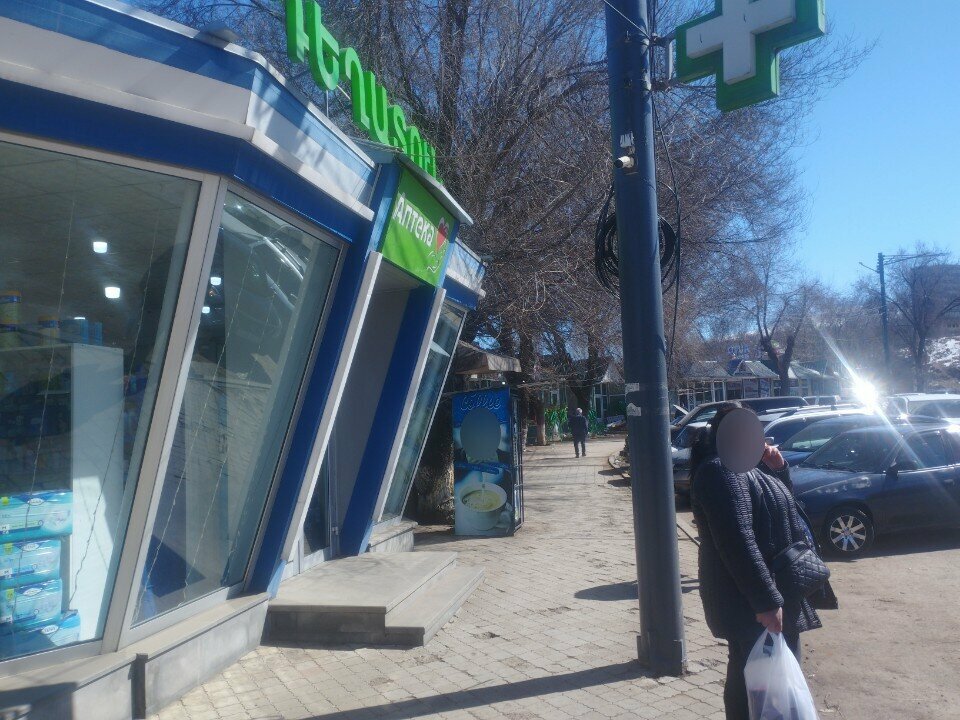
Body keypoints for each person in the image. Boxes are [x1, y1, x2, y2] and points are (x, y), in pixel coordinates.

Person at [690, 402, 827, 720]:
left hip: (771, 594)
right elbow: (737, 541)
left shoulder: (750, 469)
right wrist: (765, 602)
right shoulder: (720, 471)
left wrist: (779, 471)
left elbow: (785, 512)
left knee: (760, 684)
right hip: (750, 602)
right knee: (754, 686)